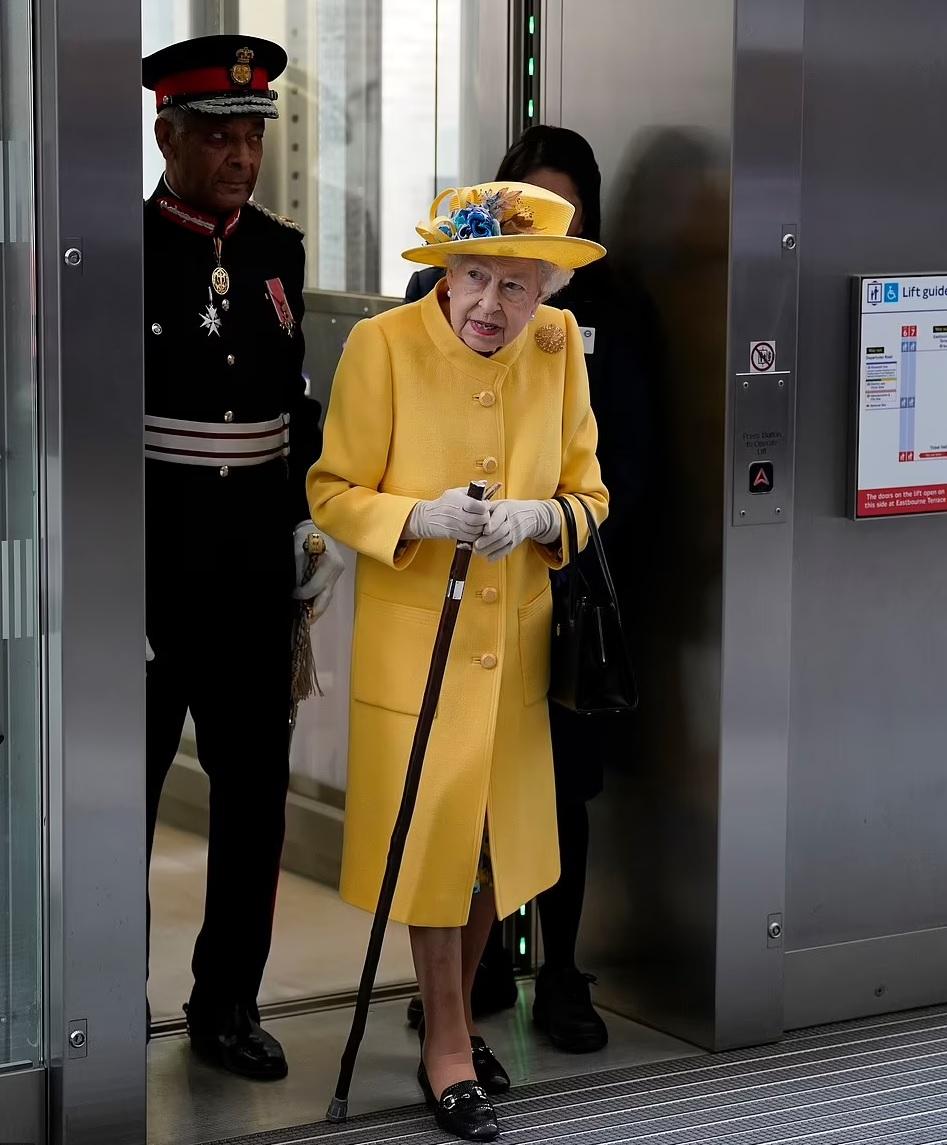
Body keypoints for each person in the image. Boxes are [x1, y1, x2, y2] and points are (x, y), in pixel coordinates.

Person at [308, 182, 607, 1140]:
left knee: (489, 849)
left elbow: (589, 493)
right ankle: (447, 1044)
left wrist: (541, 517)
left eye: (516, 286)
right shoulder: (383, 345)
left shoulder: (556, 350)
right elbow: (331, 489)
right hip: (418, 651)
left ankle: (454, 1020)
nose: (489, 303)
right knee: (434, 841)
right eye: (474, 276)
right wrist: (417, 517)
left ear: (545, 290)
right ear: (445, 271)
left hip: (512, 647)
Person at [405, 125, 654, 1054]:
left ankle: (560, 970)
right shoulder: (438, 302)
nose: (544, 239)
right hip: (455, 577)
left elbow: (628, 457)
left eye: (566, 217)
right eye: (526, 211)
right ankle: (459, 984)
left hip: (565, 583)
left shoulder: (611, 312)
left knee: (558, 788)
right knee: (456, 796)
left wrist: (556, 525)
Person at [141, 35, 343, 1080]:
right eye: (219, 136)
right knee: (118, 798)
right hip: (147, 575)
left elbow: (290, 405)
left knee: (254, 798)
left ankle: (226, 1003)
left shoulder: (275, 250)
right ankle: (99, 994)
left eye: (252, 136)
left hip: (253, 576)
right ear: (166, 135)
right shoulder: (119, 248)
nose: (240, 156)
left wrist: (309, 516)